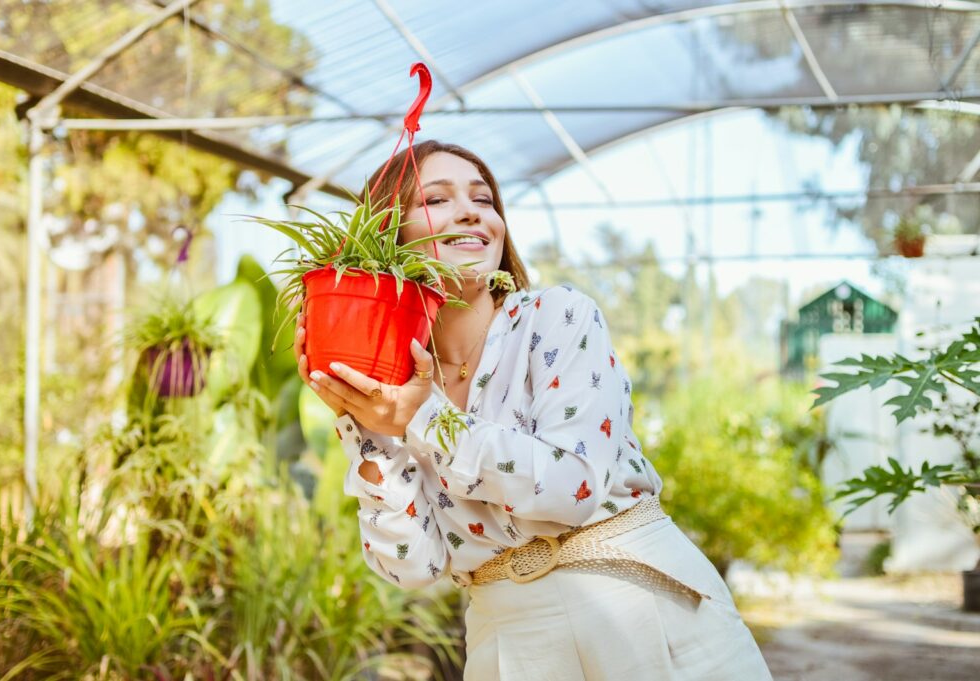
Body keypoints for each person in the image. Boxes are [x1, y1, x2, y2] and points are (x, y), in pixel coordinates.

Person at [294, 140, 772, 680]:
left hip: (637, 605)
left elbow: (572, 487)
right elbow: (412, 565)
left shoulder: (558, 318)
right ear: (385, 237)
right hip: (508, 636)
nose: (472, 211)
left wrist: (422, 420)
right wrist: (368, 429)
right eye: (437, 199)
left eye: (484, 199)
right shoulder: (394, 388)